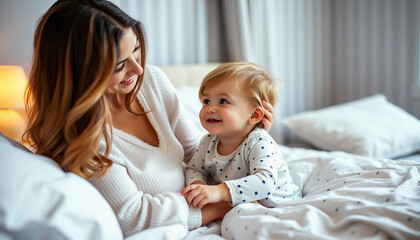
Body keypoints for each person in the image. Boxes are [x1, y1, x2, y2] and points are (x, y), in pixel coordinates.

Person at [24, 0, 275, 237]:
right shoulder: (84, 137)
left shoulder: (152, 82)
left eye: (136, 50)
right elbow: (134, 216)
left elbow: (196, 153)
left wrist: (246, 138)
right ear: (79, 73)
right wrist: (226, 204)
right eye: (120, 65)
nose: (138, 68)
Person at [181, 62, 301, 209]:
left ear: (255, 114)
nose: (210, 108)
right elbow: (194, 169)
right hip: (242, 204)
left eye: (223, 101)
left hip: (279, 205)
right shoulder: (207, 142)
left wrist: (220, 191)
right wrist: (198, 186)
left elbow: (265, 182)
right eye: (206, 101)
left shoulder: (259, 142)